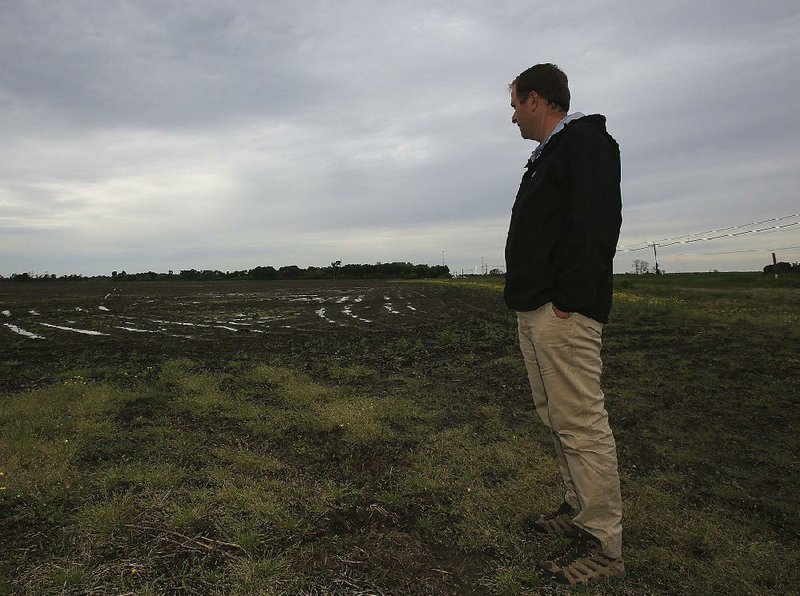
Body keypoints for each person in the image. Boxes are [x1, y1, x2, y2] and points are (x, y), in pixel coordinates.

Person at [504, 63, 624, 586]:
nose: (512, 117)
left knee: (580, 421)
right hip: (537, 309)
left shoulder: (586, 143)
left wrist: (568, 300)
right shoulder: (548, 154)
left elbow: (599, 221)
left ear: (537, 99)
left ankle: (603, 544)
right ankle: (579, 509)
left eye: (515, 105)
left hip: (563, 312)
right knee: (556, 414)